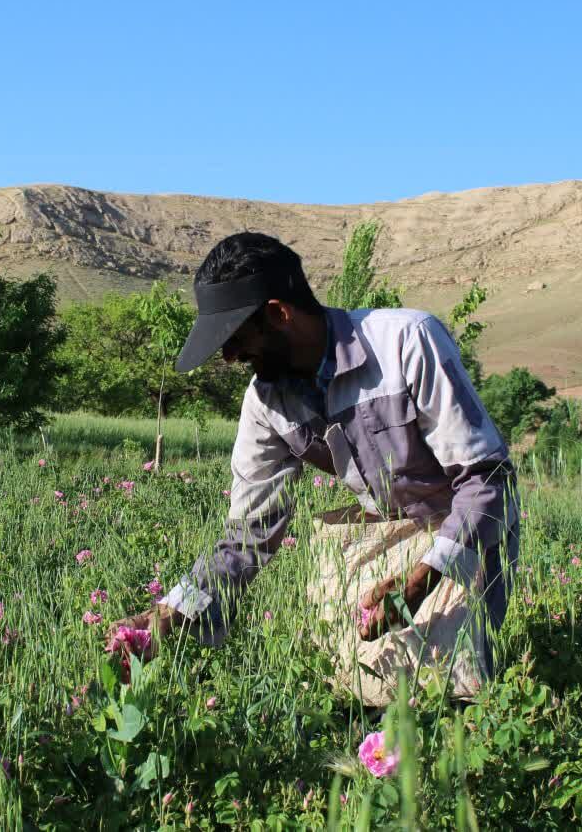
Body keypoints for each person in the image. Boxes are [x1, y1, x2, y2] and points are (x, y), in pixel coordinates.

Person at [108, 232, 519, 700]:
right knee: (363, 692)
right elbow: (248, 536)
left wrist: (423, 578)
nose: (229, 357)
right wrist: (168, 616)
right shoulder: (266, 403)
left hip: (468, 534)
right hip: (389, 535)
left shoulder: (406, 342)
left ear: (279, 314)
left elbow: (487, 479)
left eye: (237, 338)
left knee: (457, 685)